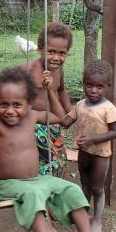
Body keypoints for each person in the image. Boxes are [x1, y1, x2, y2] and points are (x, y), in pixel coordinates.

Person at [0, 67, 116, 232]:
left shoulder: (32, 116)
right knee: (33, 194)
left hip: (35, 179)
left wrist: (51, 90)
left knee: (72, 189)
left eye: (17, 104)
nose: (10, 110)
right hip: (8, 185)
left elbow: (63, 119)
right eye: (4, 104)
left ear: (29, 104)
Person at [47, 59, 116, 232]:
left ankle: (97, 220)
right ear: (84, 84)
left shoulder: (108, 108)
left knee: (97, 188)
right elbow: (65, 121)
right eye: (89, 85)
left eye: (99, 86)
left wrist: (93, 139)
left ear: (107, 87)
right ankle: (84, 215)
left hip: (100, 156)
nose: (93, 90)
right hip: (84, 153)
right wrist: (49, 95)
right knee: (85, 185)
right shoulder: (80, 105)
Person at [21, 22, 73, 178]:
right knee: (43, 161)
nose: (56, 58)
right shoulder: (28, 70)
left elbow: (61, 90)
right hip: (34, 126)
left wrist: (70, 112)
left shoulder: (59, 70)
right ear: (40, 48)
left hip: (53, 123)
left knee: (60, 160)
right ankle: (39, 190)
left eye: (62, 53)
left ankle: (54, 189)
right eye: (51, 51)